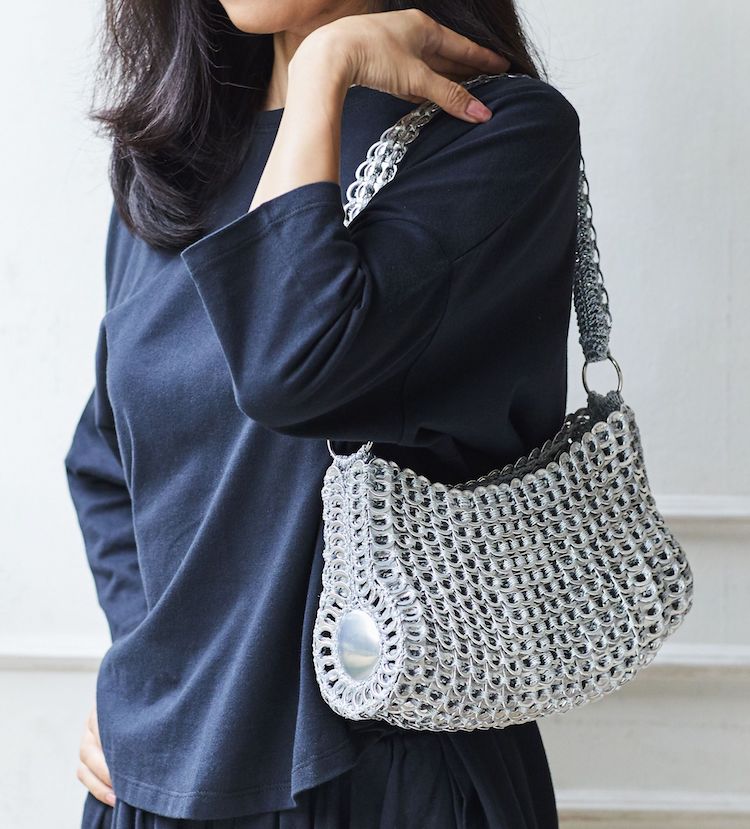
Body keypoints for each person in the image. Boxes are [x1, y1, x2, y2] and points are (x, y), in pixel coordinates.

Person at [64, 1, 581, 826]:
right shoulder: (171, 161)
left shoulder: (498, 133)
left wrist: (321, 74)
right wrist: (157, 678)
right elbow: (106, 460)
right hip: (162, 781)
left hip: (385, 779)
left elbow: (292, 367)